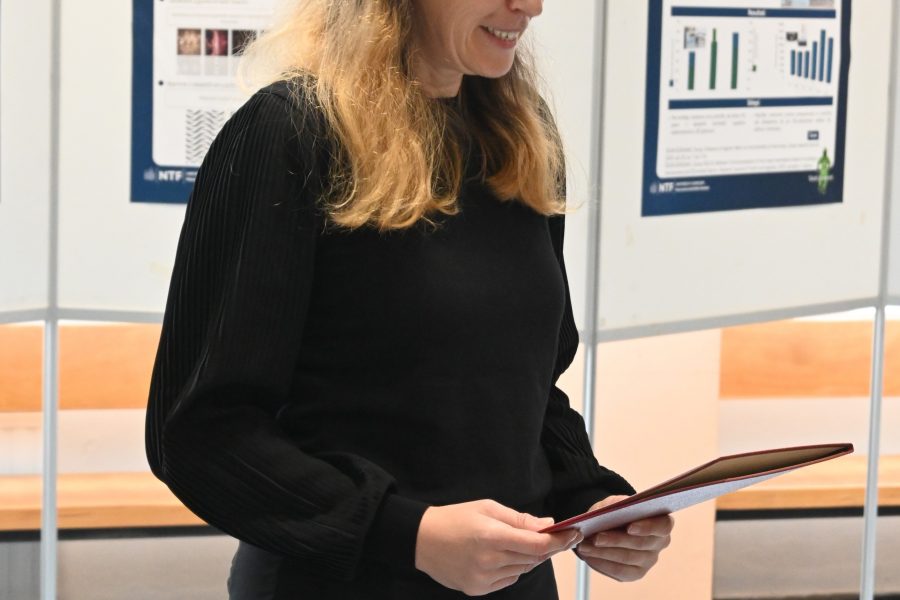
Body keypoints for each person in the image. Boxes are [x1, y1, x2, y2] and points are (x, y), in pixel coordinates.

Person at [145, 0, 674, 598]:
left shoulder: (519, 135)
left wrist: (590, 498)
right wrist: (408, 533)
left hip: (515, 582)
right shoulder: (288, 132)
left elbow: (524, 387)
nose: (532, 6)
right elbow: (200, 431)